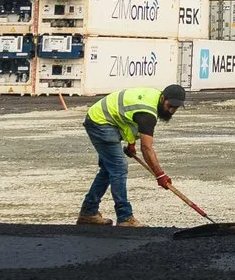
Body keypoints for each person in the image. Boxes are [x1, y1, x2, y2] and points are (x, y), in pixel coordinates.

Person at [79, 83, 185, 227]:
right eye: (170, 106)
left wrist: (131, 143)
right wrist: (160, 174)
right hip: (100, 121)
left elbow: (131, 121)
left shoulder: (152, 99)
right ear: (163, 98)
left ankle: (88, 212)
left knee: (107, 170)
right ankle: (124, 217)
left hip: (108, 120)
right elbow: (147, 148)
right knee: (119, 168)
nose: (171, 111)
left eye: (175, 108)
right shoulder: (148, 112)